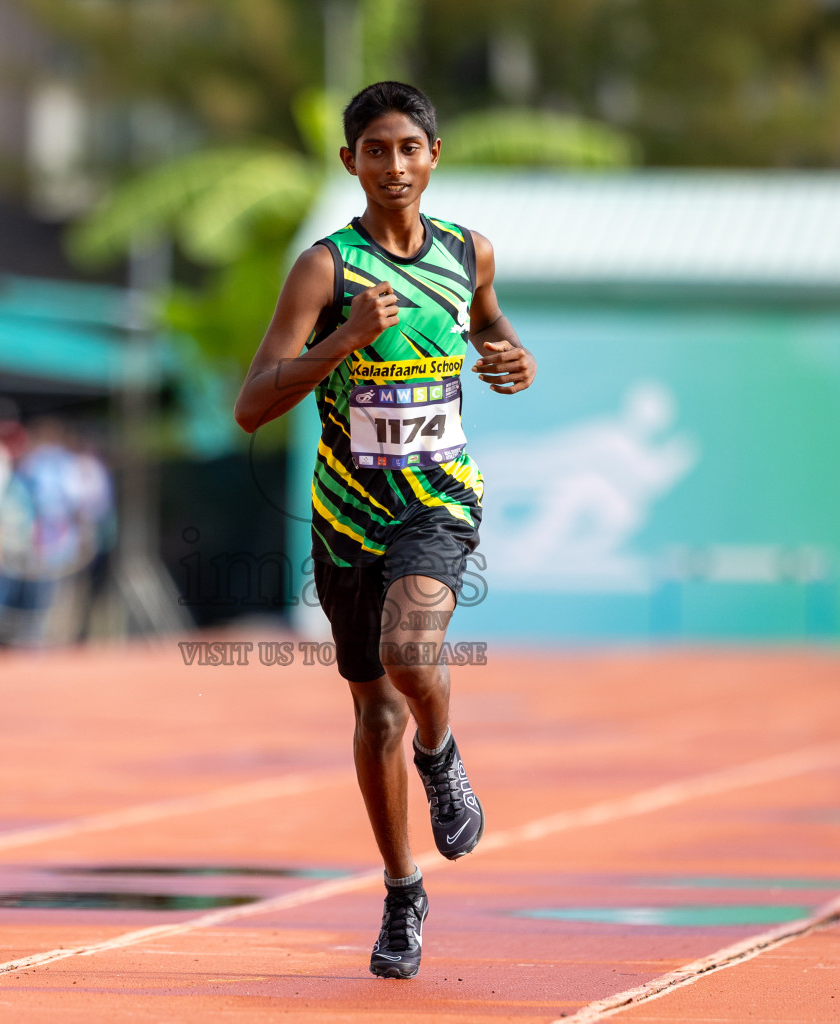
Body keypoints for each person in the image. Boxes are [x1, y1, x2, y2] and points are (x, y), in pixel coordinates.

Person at [234, 81, 536, 979]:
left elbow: (488, 327)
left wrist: (510, 355)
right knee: (372, 712)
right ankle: (403, 890)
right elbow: (253, 404)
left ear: (434, 155)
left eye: (410, 147)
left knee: (413, 653)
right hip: (344, 516)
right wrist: (345, 340)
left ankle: (440, 758)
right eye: (376, 150)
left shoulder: (469, 253)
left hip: (438, 497)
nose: (394, 165)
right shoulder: (325, 270)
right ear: (349, 162)